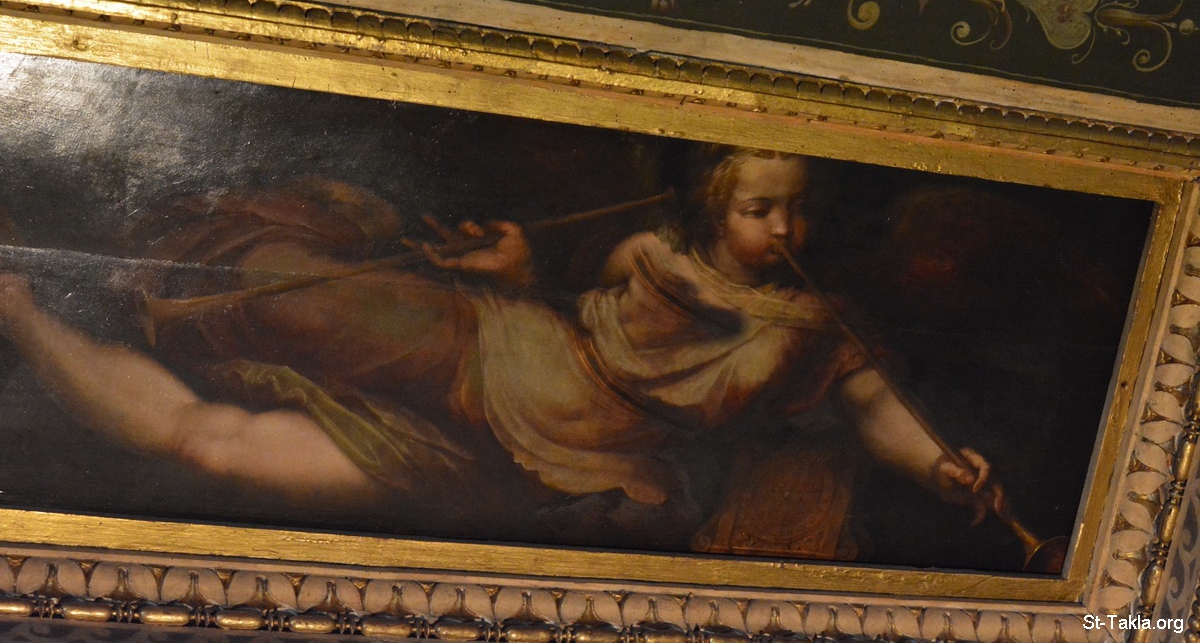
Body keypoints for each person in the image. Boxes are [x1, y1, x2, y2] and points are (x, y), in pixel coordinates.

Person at [0, 146, 1004, 553]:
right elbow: (567, 306)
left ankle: (21, 314)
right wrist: (517, 271)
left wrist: (944, 467)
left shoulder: (813, 327)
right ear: (714, 206)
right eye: (759, 207)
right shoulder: (650, 253)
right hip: (498, 352)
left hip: (536, 471)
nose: (784, 228)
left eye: (796, 209)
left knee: (219, 450)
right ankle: (119, 263)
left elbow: (876, 408)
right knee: (291, 299)